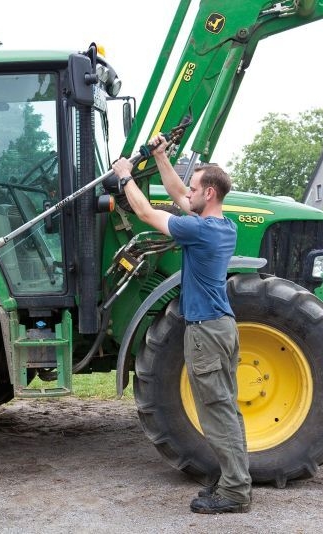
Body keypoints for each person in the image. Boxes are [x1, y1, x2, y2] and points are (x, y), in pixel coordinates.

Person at [111, 136, 252, 514]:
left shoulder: (200, 231)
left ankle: (236, 492)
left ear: (209, 192)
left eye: (194, 188)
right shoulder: (223, 226)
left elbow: (145, 214)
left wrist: (125, 176)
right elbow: (178, 195)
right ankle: (232, 480)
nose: (186, 193)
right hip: (223, 328)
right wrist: (160, 157)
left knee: (216, 411)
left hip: (206, 331)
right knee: (226, 409)